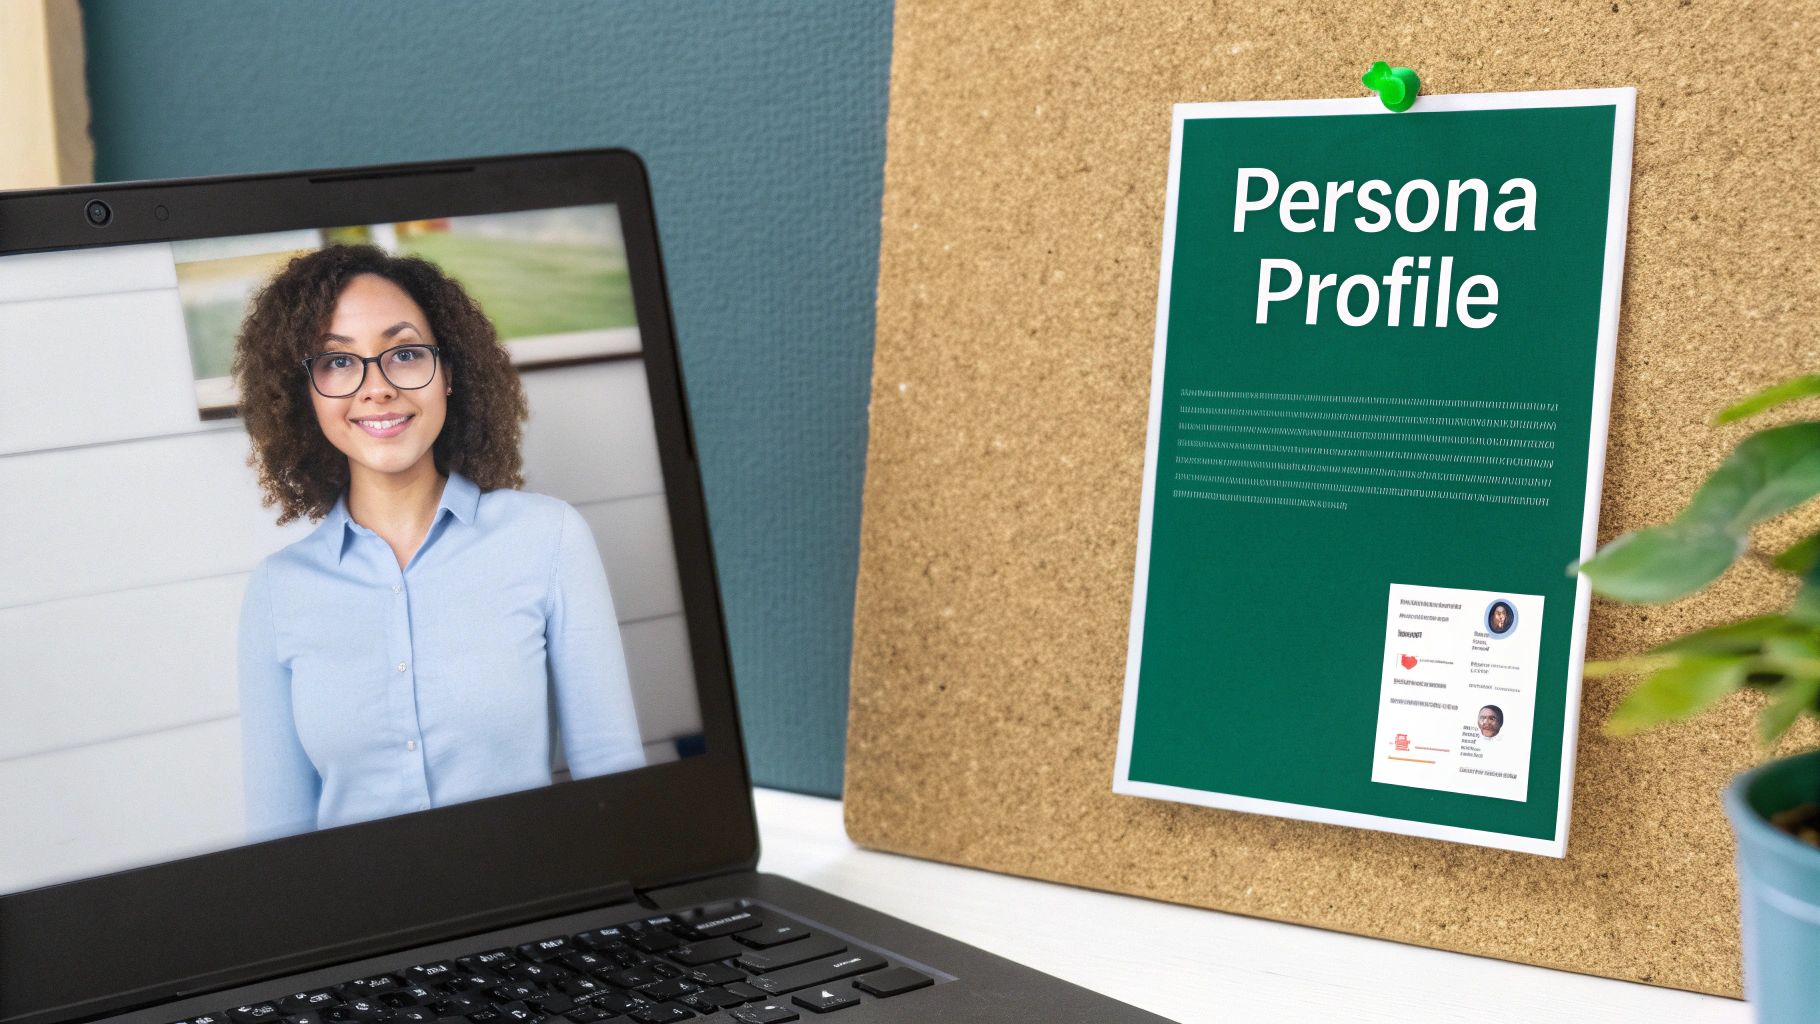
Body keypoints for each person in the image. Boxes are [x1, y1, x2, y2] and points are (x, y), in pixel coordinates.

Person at [234, 244, 644, 842]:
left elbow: (616, 790)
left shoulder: (548, 538)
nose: (376, 388)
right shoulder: (277, 592)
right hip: (365, 926)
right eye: (338, 362)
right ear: (306, 395)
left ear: (447, 373)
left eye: (403, 353)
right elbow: (279, 842)